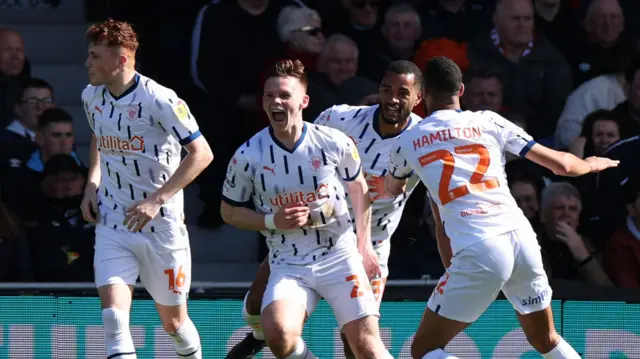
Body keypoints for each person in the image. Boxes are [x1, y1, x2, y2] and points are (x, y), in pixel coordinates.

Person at [383, 57, 618, 359]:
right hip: (521, 239)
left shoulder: (408, 141)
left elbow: (392, 190)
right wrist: (589, 164)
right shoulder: (490, 121)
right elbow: (561, 164)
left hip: (480, 247)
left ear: (422, 93)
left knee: (424, 349)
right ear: (462, 90)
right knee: (546, 339)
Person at [226, 60, 424, 359]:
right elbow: (300, 142)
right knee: (258, 306)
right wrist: (276, 216)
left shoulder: (424, 141)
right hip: (298, 238)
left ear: (418, 98)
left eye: (403, 92)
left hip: (366, 240)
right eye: (387, 89)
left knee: (357, 344)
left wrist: (366, 246)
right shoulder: (338, 121)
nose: (393, 98)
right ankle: (259, 337)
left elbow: (443, 190)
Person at [79, 19, 213, 359]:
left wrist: (156, 200)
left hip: (161, 225)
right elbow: (99, 134)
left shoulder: (160, 99)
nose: (87, 63)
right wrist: (92, 183)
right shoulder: (91, 96)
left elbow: (202, 153)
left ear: (121, 59)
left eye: (95, 56)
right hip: (113, 220)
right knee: (113, 317)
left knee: (175, 326)